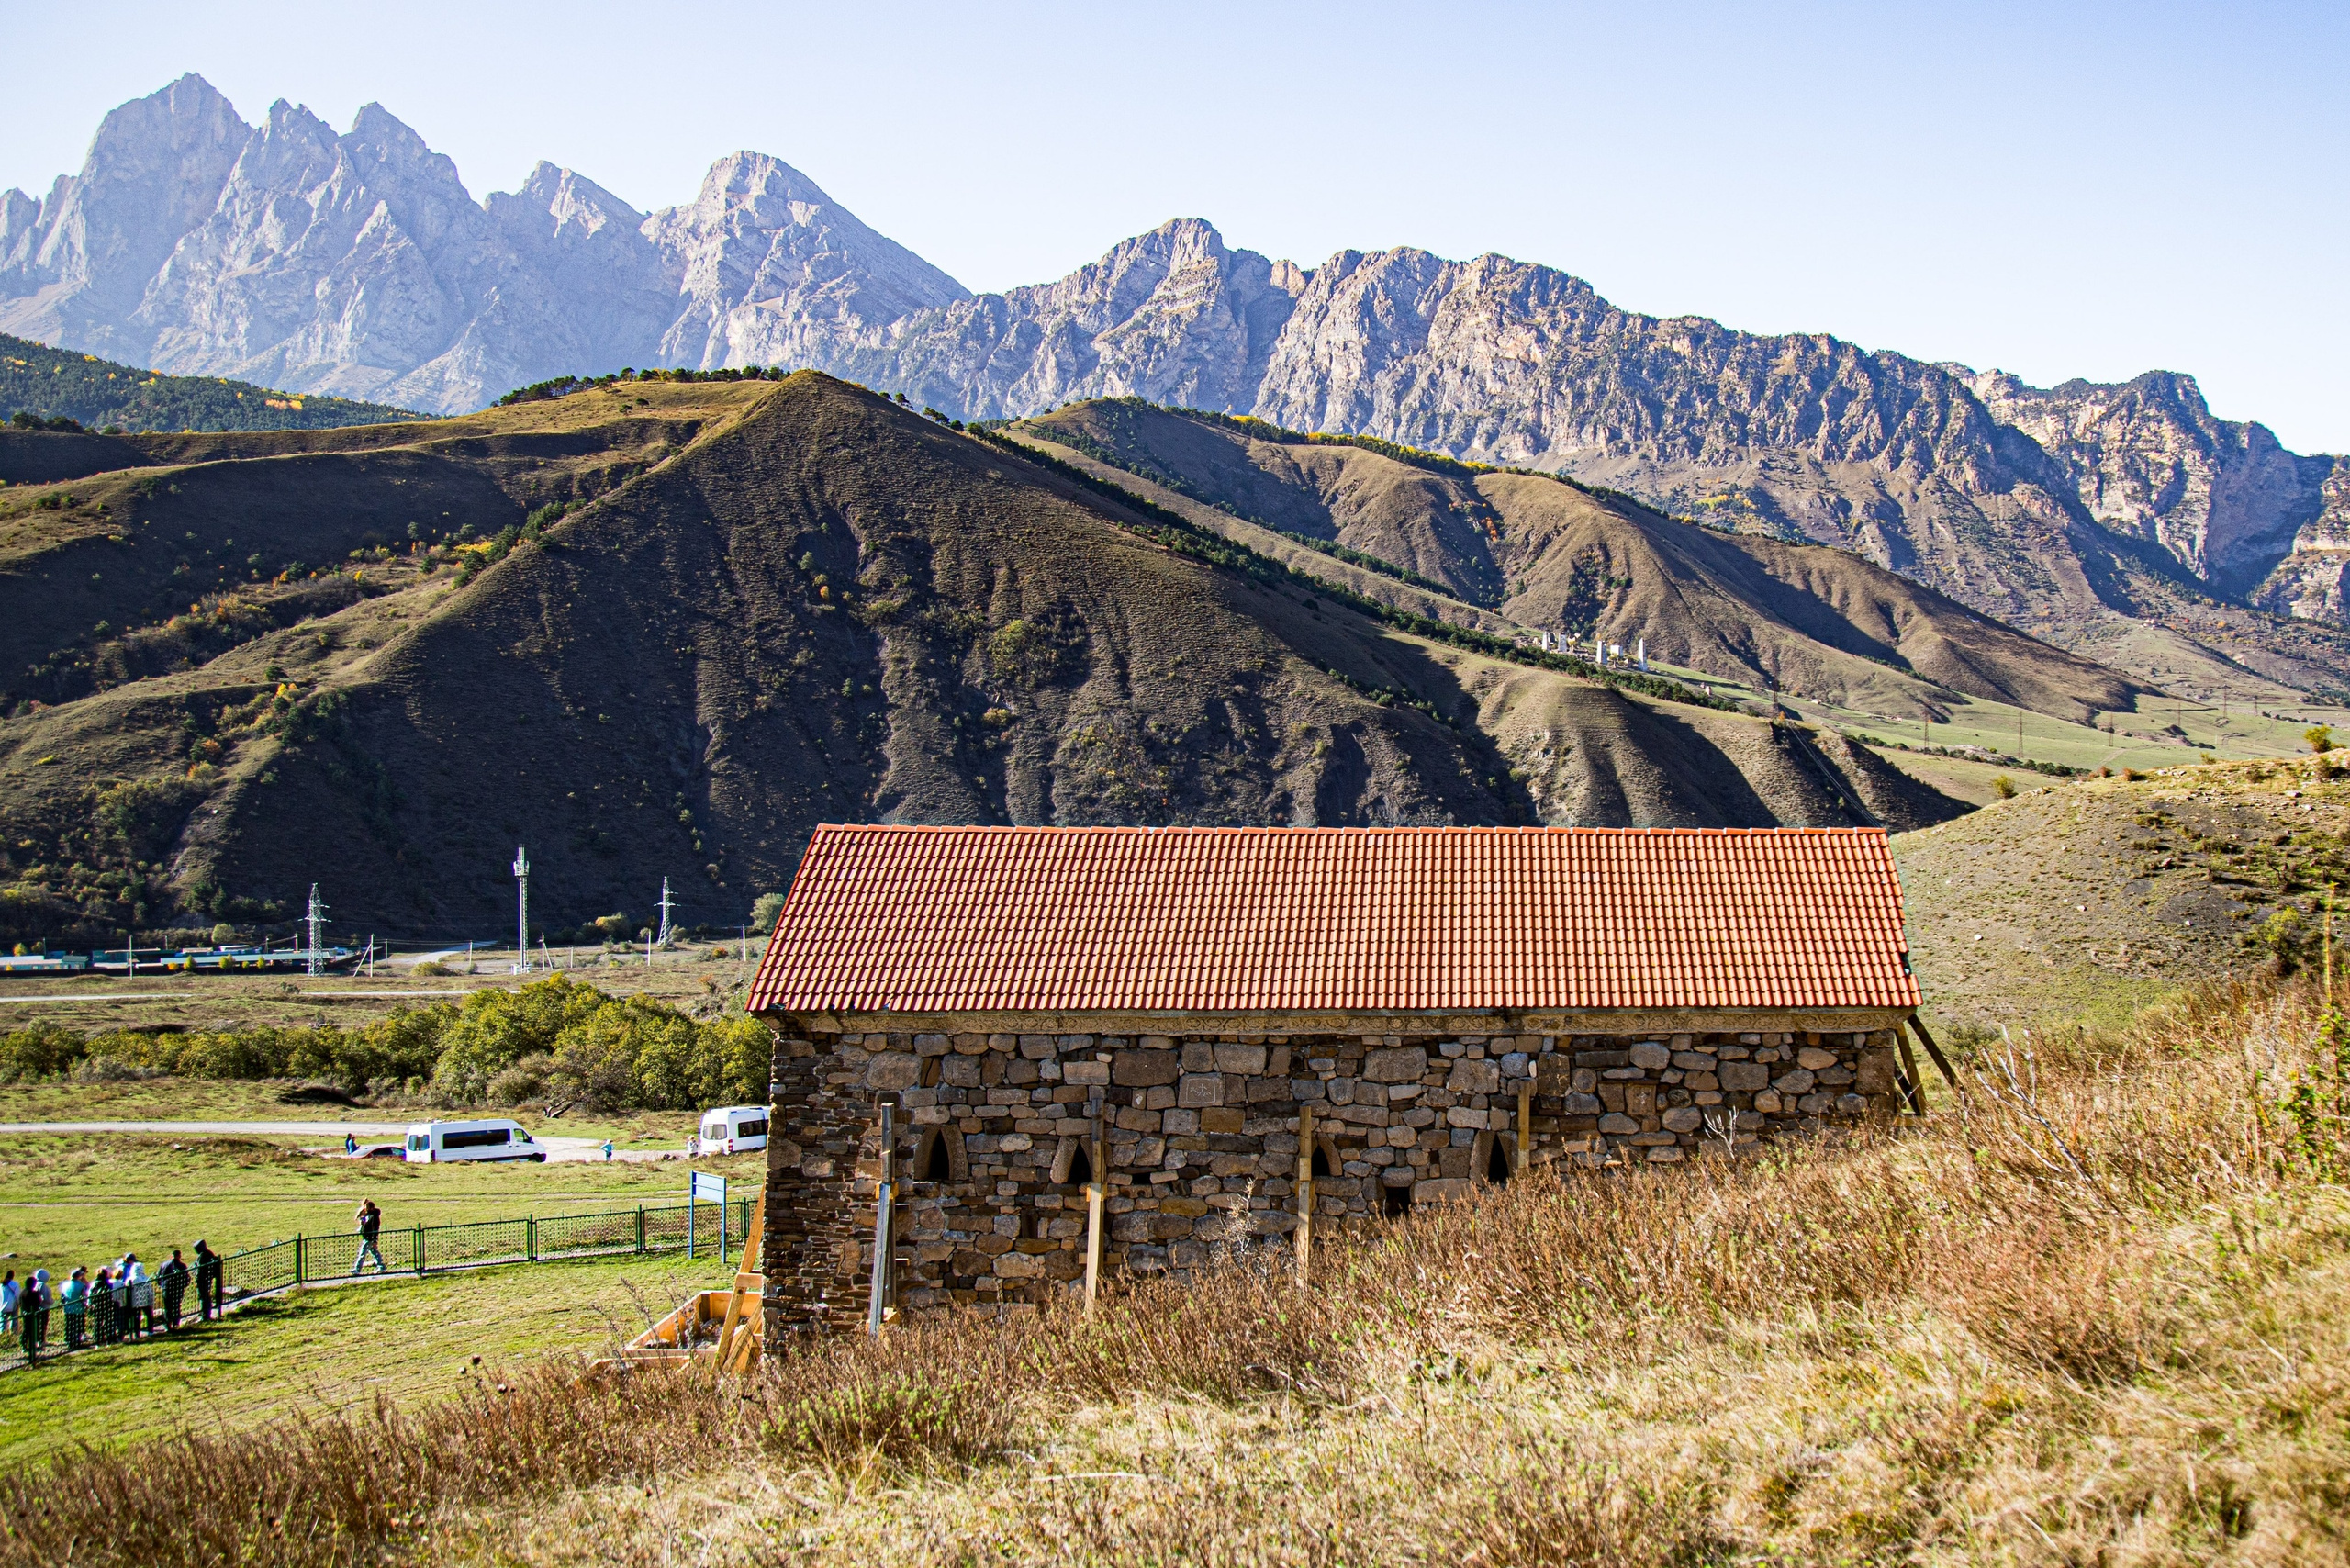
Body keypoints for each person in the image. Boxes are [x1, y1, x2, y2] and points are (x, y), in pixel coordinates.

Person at [17, 1270, 48, 1361]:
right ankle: (33, 1345)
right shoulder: (33, 1293)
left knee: (26, 1330)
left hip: (24, 1313)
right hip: (33, 1313)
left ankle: (23, 1344)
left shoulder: (23, 1292)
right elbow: (37, 1302)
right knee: (34, 1330)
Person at [158, 1249, 190, 1332]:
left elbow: (159, 1277)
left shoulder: (164, 1264)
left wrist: (162, 1285)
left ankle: (168, 1325)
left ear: (171, 1255)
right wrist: (183, 1286)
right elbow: (186, 1279)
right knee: (176, 1306)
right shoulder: (182, 1266)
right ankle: (176, 1324)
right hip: (177, 1289)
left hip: (167, 1289)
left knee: (167, 1308)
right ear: (179, 1256)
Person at [353, 1198, 386, 1274]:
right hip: (367, 1237)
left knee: (362, 1253)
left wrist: (375, 1240)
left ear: (371, 1208)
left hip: (369, 1238)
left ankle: (357, 1270)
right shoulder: (369, 1215)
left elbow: (375, 1229)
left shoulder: (374, 1217)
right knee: (375, 1253)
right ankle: (381, 1267)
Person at [59, 1268, 87, 1350]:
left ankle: (68, 1339)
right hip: (78, 1308)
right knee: (77, 1326)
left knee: (69, 1325)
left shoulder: (64, 1285)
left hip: (68, 1308)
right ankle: (76, 1341)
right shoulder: (82, 1286)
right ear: (79, 1277)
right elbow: (84, 1297)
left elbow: (62, 1297)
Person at [194, 1240, 222, 1320]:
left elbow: (199, 1269)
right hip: (207, 1278)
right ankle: (207, 1314)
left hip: (202, 1279)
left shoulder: (202, 1255)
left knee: (203, 1297)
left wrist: (197, 1280)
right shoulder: (209, 1253)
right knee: (206, 1296)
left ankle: (205, 1316)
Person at [90, 1266, 116, 1343]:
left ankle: (98, 1339)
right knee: (108, 1322)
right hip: (107, 1304)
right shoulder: (109, 1283)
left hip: (97, 1306)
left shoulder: (93, 1284)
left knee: (97, 1323)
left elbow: (90, 1295)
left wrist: (90, 1304)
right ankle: (110, 1339)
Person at [1, 1269, 16, 1339]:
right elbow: (17, 1294)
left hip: (2, 1306)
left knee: (3, 1321)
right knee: (14, 1320)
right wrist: (18, 1303)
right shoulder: (14, 1284)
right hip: (13, 1305)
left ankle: (3, 1334)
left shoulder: (1, 1285)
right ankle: (14, 1333)